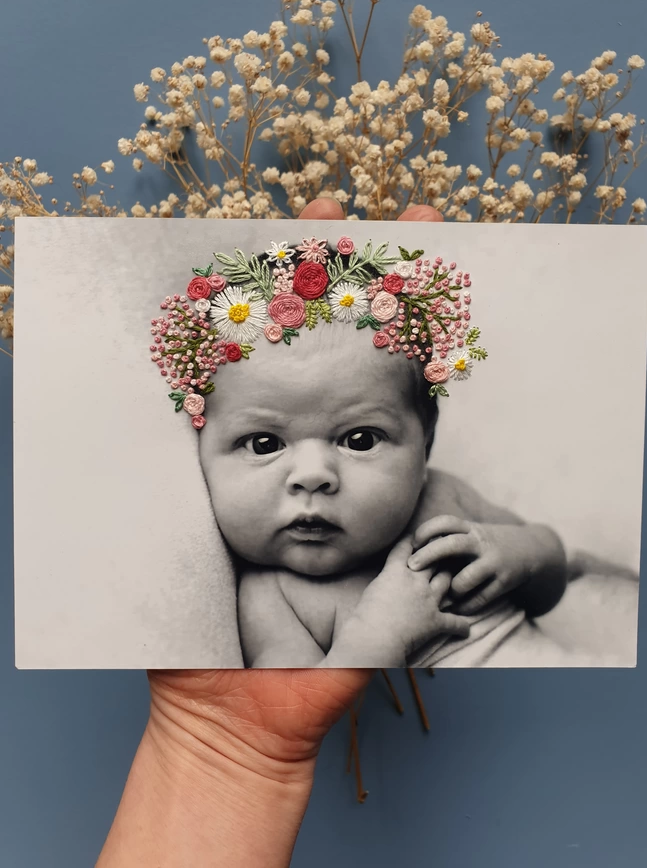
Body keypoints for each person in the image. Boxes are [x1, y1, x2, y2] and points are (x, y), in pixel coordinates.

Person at [190, 235, 567, 669]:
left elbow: (552, 580)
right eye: (264, 444)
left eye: (361, 440)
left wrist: (517, 553)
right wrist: (382, 634)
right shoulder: (272, 597)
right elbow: (300, 706)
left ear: (425, 444)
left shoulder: (444, 503)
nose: (313, 476)